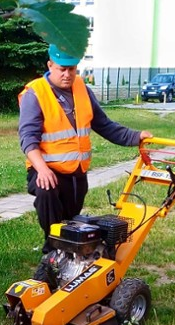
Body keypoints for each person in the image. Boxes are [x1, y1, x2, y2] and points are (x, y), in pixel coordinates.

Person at [18, 44, 153, 253]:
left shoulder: (82, 89)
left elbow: (104, 125)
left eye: (72, 69)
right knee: (47, 193)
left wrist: (136, 137)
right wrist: (42, 169)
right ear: (50, 65)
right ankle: (52, 253)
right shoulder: (35, 93)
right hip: (46, 169)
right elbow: (27, 137)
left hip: (76, 172)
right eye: (61, 69)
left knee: (71, 220)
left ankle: (74, 257)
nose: (67, 74)